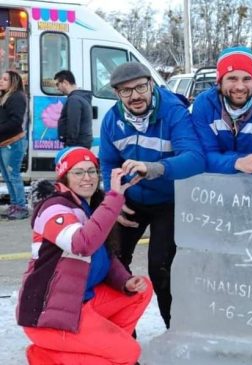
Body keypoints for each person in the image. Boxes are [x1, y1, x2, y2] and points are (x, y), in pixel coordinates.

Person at [16, 146, 152, 364]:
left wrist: (125, 282)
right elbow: (81, 244)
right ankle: (45, 356)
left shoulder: (87, 207)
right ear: (64, 177)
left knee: (140, 291)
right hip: (49, 315)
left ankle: (98, 350)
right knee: (129, 353)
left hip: (80, 304)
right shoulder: (53, 208)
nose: (87, 178)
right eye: (78, 172)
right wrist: (114, 198)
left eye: (92, 171)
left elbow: (104, 254)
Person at [99, 62, 205, 328]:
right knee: (111, 263)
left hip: (168, 201)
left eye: (140, 87)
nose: (135, 95)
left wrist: (154, 168)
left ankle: (175, 330)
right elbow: (107, 163)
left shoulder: (173, 113)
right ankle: (120, 332)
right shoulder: (112, 120)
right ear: (117, 94)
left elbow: (195, 159)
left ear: (152, 84)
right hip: (132, 200)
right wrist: (114, 200)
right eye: (125, 91)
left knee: (161, 268)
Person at [193, 46, 252, 174]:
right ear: (219, 81)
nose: (240, 87)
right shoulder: (204, 104)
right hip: (213, 188)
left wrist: (220, 160)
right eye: (232, 78)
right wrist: (236, 162)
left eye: (247, 79)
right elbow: (202, 158)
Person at [0, 70, 29, 220]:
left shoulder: (17, 97)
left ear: (13, 81)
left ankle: (21, 207)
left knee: (13, 175)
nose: (1, 81)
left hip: (13, 143)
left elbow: (15, 121)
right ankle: (14, 205)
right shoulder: (6, 96)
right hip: (4, 142)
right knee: (7, 176)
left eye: (5, 79)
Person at [54, 70, 93, 148]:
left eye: (57, 84)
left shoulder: (74, 99)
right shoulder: (80, 97)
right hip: (81, 144)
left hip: (76, 145)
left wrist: (69, 145)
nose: (57, 88)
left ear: (65, 83)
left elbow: (73, 124)